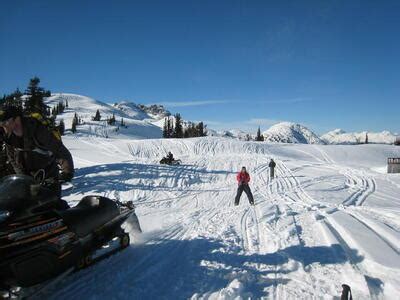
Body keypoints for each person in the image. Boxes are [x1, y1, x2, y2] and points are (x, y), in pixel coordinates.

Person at [0, 106, 74, 198]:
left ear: (17, 119)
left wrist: (66, 173)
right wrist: (23, 179)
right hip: (29, 180)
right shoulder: (9, 137)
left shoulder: (37, 130)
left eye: (5, 121)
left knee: (52, 205)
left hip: (48, 176)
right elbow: (13, 160)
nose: (2, 125)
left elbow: (60, 151)